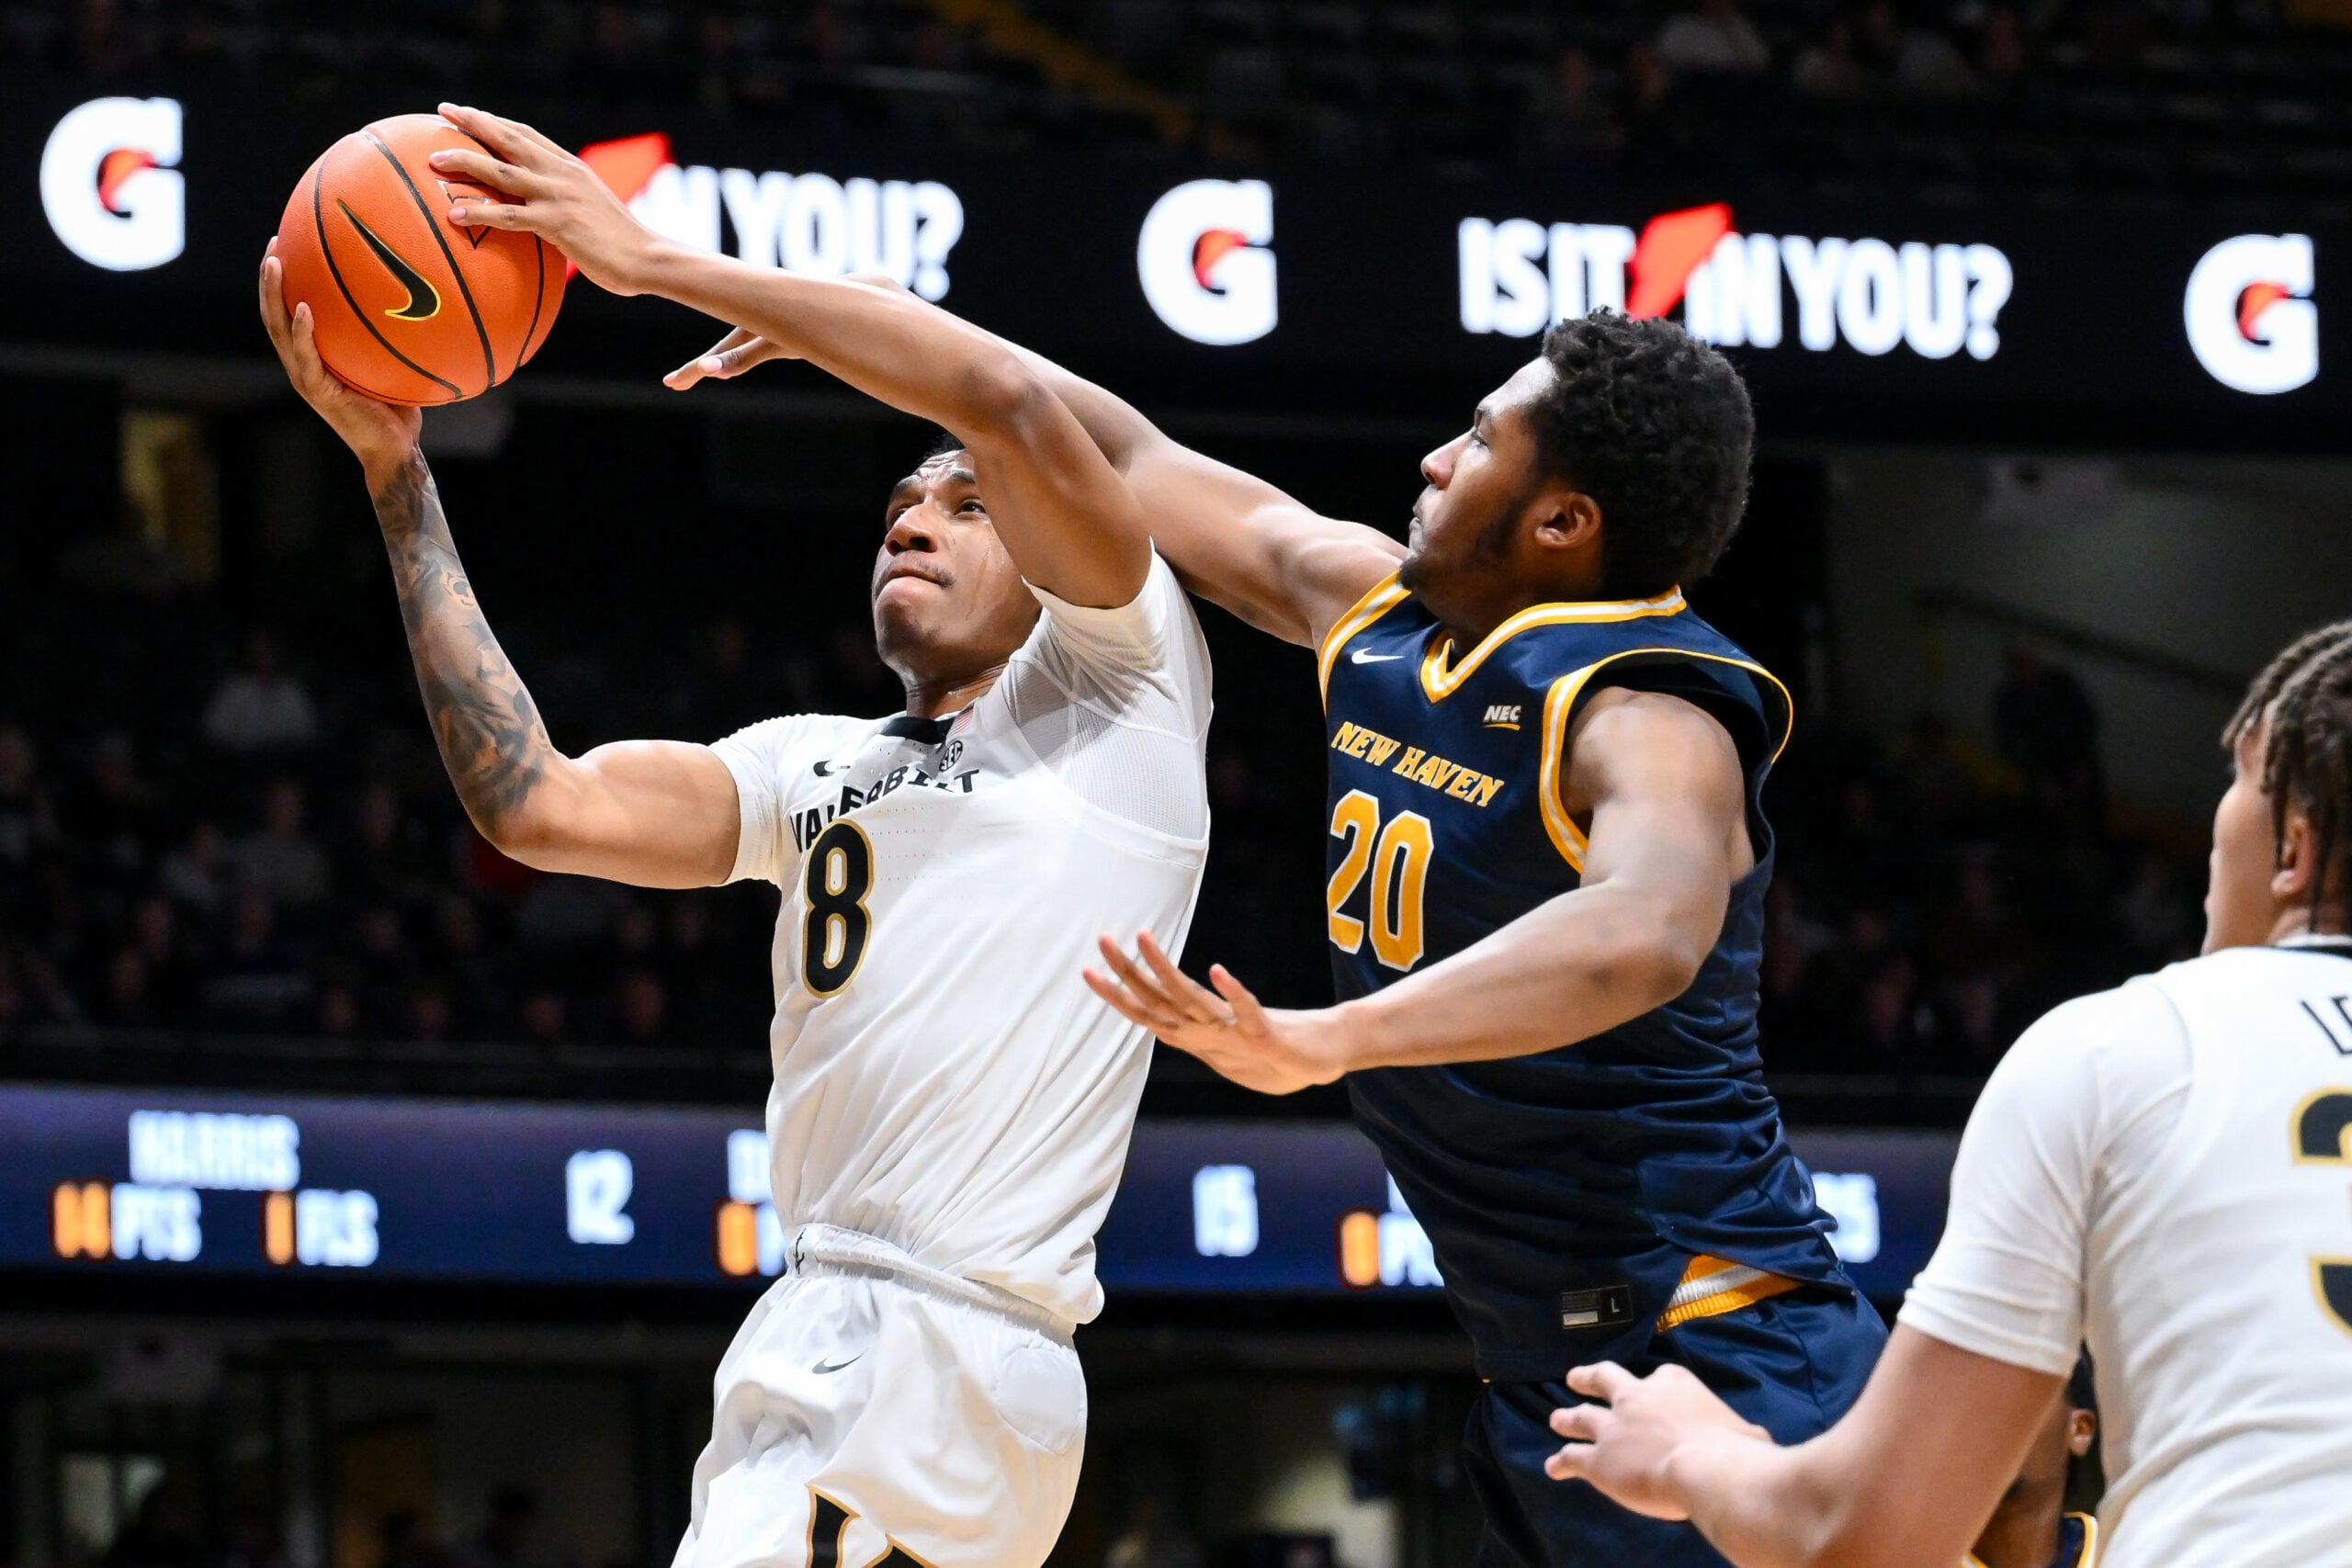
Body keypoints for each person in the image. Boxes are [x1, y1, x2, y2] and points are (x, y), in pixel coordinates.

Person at [492, 109, 1884, 1563]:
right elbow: (1098, 438)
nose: (1430, 453)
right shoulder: (1375, 614)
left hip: (1718, 1343)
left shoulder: (1652, 706)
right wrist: (831, 327)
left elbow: (1647, 929)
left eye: (1477, 441)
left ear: (1562, 523)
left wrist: (1333, 1038)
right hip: (1543, 1362)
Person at [258, 105, 1216, 1565]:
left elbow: (1019, 412)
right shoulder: (812, 764)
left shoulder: (1130, 691)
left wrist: (654, 264)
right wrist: (399, 478)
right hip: (859, 1330)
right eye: (900, 500)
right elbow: (539, 800)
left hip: (929, 1344)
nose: (915, 515)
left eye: (964, 507)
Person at [1537, 621, 2352, 1567]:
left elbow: (1865, 1537)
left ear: (2292, 846)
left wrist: (1692, 1454)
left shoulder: (2124, 1047)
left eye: (2236, 790)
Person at [1967, 1355, 2098, 1568]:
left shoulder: (2134, 1549)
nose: (1992, 1418)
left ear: (2079, 1430)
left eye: (2017, 1393)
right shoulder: (1908, 1554)